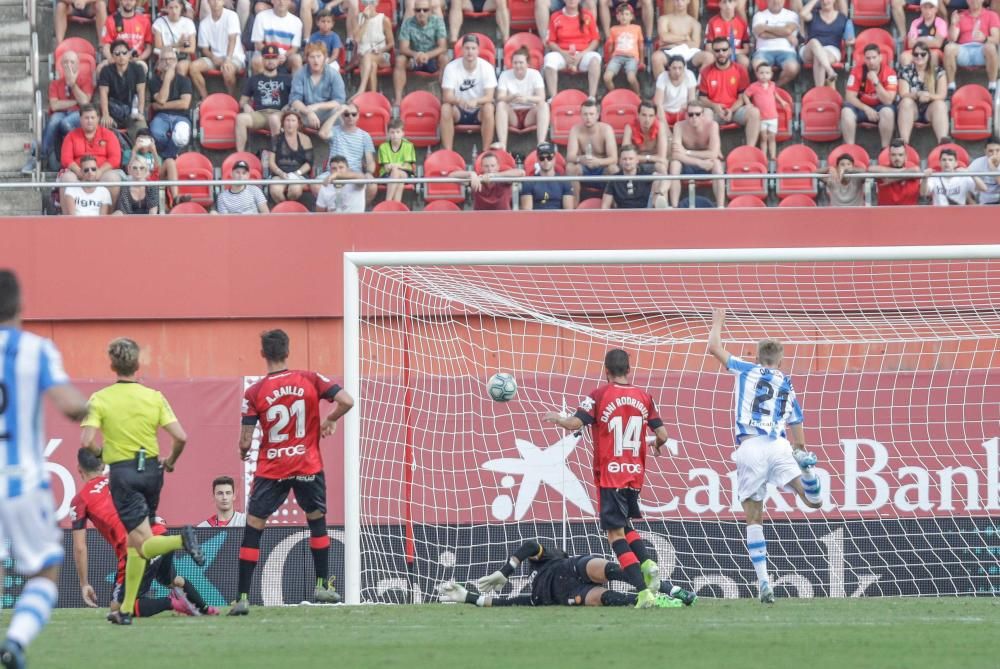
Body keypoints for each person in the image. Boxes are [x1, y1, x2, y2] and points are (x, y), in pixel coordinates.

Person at [229, 329, 355, 615]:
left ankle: (242, 597)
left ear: (263, 354)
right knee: (316, 519)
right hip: (307, 464)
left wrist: (242, 451)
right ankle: (322, 584)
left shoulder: (255, 391)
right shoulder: (310, 378)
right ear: (287, 351)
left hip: (272, 469)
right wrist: (330, 420)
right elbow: (346, 400)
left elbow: (246, 440)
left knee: (254, 527)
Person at [0, 270, 89, 669]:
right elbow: (70, 405)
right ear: (20, 306)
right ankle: (15, 644)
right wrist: (90, 409)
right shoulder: (35, 350)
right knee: (45, 573)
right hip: (22, 482)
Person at [81, 337, 204, 625]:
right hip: (152, 472)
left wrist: (105, 454)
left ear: (112, 365)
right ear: (138, 364)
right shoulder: (154, 397)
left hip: (123, 474)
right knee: (138, 543)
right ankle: (125, 610)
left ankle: (180, 539)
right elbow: (181, 437)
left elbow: (86, 440)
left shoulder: (100, 398)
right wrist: (170, 462)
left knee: (142, 542)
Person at [707, 308, 823, 604]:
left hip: (750, 447)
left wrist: (718, 322)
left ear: (757, 357)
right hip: (779, 446)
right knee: (813, 501)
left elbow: (714, 348)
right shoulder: (787, 383)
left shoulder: (745, 369)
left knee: (754, 517)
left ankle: (763, 582)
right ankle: (808, 472)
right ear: (780, 360)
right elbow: (796, 421)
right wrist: (800, 450)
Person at [541, 349, 670, 609]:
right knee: (623, 525)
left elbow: (575, 424)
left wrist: (557, 418)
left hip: (611, 475)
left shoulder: (598, 396)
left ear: (606, 371)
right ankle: (647, 563)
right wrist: (656, 443)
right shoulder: (645, 397)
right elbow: (663, 434)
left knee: (614, 536)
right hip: (634, 474)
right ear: (629, 370)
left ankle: (643, 592)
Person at [71, 449, 220, 619]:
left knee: (118, 608)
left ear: (79, 469)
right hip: (160, 532)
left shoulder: (80, 500)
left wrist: (84, 584)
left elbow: (80, 547)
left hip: (135, 546)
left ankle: (172, 602)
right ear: (103, 465)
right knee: (170, 580)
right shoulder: (118, 479)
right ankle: (205, 608)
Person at [438, 539, 697, 608]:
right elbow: (502, 602)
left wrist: (506, 571)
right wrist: (468, 597)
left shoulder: (549, 559)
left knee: (612, 570)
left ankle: (670, 589)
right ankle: (663, 601)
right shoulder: (535, 597)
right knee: (602, 599)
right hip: (570, 594)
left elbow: (529, 546)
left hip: (573, 566)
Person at [27, 50, 95, 174]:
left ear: (78, 64)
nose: (68, 65)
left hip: (78, 114)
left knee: (65, 123)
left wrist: (73, 85)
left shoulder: (86, 80)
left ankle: (76, 154)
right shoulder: (55, 83)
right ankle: (38, 157)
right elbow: (55, 105)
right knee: (54, 121)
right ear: (61, 65)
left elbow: (85, 103)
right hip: (60, 113)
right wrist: (75, 102)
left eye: (72, 62)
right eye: (65, 62)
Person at [59, 104, 124, 206]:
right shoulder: (71, 136)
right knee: (67, 178)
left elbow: (115, 159)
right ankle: (68, 218)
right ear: (80, 119)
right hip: (78, 172)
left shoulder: (109, 135)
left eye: (92, 117)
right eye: (86, 118)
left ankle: (110, 217)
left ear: (98, 119)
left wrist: (99, 171)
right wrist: (79, 171)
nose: (89, 120)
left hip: (102, 172)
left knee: (113, 178)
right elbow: (66, 159)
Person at [441, 35, 497, 151]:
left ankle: (486, 150)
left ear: (478, 50)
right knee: (446, 108)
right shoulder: (451, 67)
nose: (470, 52)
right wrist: (460, 101)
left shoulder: (487, 67)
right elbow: (447, 96)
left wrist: (476, 101)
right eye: (467, 48)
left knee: (489, 108)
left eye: (473, 48)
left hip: (478, 110)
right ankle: (448, 151)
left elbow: (489, 96)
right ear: (462, 50)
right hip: (459, 109)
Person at [236, 44, 293, 152]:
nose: (270, 61)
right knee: (240, 119)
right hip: (260, 114)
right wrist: (246, 106)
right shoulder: (254, 79)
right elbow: (242, 101)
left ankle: (277, 153)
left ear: (278, 60)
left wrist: (288, 106)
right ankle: (240, 154)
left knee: (274, 119)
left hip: (279, 114)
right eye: (267, 58)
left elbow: (295, 99)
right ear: (262, 60)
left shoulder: (287, 79)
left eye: (273, 58)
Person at [318, 103, 378, 204]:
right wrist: (338, 112)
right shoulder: (335, 131)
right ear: (342, 116)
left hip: (354, 173)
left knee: (372, 185)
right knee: (315, 186)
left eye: (353, 114)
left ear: (358, 116)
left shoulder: (365, 136)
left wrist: (369, 172)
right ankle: (332, 211)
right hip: (333, 171)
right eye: (346, 114)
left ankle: (359, 210)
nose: (350, 117)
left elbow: (370, 161)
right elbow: (322, 134)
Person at [668, 100, 724, 207]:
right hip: (688, 163)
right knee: (675, 164)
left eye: (697, 114)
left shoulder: (712, 125)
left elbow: (713, 154)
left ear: (702, 115)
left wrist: (686, 152)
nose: (694, 117)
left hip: (705, 162)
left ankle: (720, 207)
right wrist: (699, 162)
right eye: (691, 114)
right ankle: (674, 207)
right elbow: (675, 154)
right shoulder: (678, 126)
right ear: (686, 115)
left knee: (717, 164)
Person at [841, 42, 897, 149]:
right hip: (861, 107)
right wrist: (866, 108)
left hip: (880, 106)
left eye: (874, 57)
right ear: (864, 59)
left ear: (880, 57)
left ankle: (885, 149)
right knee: (846, 111)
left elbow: (888, 101)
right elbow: (849, 96)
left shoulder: (890, 73)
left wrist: (876, 82)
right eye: (868, 58)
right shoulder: (856, 71)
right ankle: (850, 148)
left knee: (888, 112)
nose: (871, 61)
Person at [393, 0, 449, 106]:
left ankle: (444, 97)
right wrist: (416, 54)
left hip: (432, 59)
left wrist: (427, 55)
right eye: (418, 10)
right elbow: (403, 48)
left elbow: (443, 47)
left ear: (430, 11)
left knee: (444, 59)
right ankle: (398, 99)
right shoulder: (408, 23)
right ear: (414, 11)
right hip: (414, 59)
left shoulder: (438, 22)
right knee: (400, 60)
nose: (421, 12)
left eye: (425, 10)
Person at [543, 0, 602, 99]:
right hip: (562, 53)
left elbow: (595, 40)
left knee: (595, 60)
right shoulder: (556, 16)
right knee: (549, 60)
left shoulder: (587, 15)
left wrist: (582, 54)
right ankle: (553, 98)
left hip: (583, 53)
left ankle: (592, 96)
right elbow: (551, 41)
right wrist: (563, 53)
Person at [191, 0, 247, 98]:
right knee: (193, 67)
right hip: (215, 58)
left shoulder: (231, 16)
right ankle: (205, 99)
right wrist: (213, 57)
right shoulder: (204, 23)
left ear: (223, 2)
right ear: (208, 2)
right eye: (212, 0)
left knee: (227, 69)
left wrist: (228, 59)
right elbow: (204, 49)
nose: (216, 2)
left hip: (234, 56)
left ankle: (232, 99)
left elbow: (232, 39)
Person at [942, 0, 1000, 95]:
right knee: (948, 48)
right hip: (964, 49)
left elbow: (996, 38)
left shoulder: (991, 15)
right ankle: (951, 87)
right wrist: (953, 23)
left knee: (990, 47)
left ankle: (992, 87)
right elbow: (952, 39)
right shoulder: (960, 15)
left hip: (981, 50)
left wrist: (984, 38)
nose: (973, 1)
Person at [496, 47, 549, 149]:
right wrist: (511, 97)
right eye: (515, 63)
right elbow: (500, 97)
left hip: (529, 113)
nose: (518, 66)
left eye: (521, 62)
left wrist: (527, 98)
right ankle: (502, 143)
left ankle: (541, 142)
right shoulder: (505, 75)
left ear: (527, 63)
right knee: (501, 105)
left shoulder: (535, 74)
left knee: (544, 105)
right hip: (513, 113)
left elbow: (541, 97)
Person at [566, 98, 619, 201]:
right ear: (581, 115)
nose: (588, 118)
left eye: (591, 114)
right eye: (585, 114)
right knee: (570, 168)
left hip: (602, 169)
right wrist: (580, 159)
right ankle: (574, 207)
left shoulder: (606, 129)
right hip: (584, 168)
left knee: (614, 169)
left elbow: (614, 159)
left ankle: (611, 205)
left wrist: (598, 162)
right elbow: (569, 157)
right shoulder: (575, 130)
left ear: (597, 115)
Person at [896, 45, 948, 145]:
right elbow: (903, 93)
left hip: (930, 109)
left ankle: (943, 143)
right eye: (916, 54)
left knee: (940, 104)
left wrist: (928, 96)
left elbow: (942, 95)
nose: (919, 57)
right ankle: (904, 143)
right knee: (906, 102)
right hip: (912, 108)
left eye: (923, 54)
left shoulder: (938, 71)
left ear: (928, 56)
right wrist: (917, 95)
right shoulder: (906, 70)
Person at [289, 42, 347, 131]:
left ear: (324, 57)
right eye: (312, 57)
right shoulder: (300, 73)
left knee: (339, 111)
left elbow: (339, 100)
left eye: (319, 56)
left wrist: (318, 106)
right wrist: (308, 112)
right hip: (305, 111)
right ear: (307, 58)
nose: (316, 61)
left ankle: (334, 140)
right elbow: (295, 100)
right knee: (290, 114)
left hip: (326, 112)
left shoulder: (333, 74)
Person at [149, 47, 194, 160]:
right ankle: (171, 154)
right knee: (156, 134)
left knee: (181, 137)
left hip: (182, 116)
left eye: (171, 59)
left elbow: (184, 104)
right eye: (164, 59)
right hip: (161, 116)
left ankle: (166, 157)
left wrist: (160, 107)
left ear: (176, 62)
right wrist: (167, 79)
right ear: (159, 63)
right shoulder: (153, 81)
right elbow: (162, 99)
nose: (168, 62)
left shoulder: (184, 80)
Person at [798, 0, 854, 89]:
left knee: (819, 57)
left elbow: (850, 39)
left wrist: (850, 41)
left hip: (831, 50)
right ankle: (830, 71)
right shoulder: (814, 14)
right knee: (814, 42)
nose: (825, 2)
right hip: (810, 49)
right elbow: (802, 14)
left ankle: (819, 91)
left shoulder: (842, 18)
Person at [98, 39, 148, 137]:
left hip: (132, 110)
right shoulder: (106, 71)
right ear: (112, 56)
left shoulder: (138, 69)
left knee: (142, 131)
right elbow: (103, 94)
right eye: (117, 53)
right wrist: (106, 115)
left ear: (129, 54)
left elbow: (141, 93)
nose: (121, 56)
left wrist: (141, 112)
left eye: (124, 53)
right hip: (112, 111)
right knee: (104, 131)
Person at [742, 60, 790, 160]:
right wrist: (749, 104)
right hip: (761, 117)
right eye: (761, 73)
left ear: (771, 74)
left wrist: (782, 101)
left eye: (767, 73)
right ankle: (763, 156)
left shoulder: (772, 85)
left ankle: (773, 155)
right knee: (763, 138)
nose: (764, 75)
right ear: (757, 74)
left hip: (773, 116)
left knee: (772, 138)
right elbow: (745, 95)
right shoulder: (754, 86)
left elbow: (775, 94)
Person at [651, 0, 708, 79]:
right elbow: (664, 37)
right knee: (656, 57)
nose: (680, 3)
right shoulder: (664, 19)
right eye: (677, 0)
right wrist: (684, 38)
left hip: (689, 53)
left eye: (683, 0)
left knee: (709, 57)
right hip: (669, 51)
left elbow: (695, 45)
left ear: (688, 1)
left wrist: (671, 40)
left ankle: (699, 87)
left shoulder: (695, 23)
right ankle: (663, 87)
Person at [449, 151, 525, 210]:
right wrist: (471, 174)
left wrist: (496, 175)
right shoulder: (477, 180)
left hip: (503, 217)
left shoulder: (504, 179)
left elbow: (521, 173)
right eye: (486, 166)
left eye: (492, 166)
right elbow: (451, 176)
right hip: (481, 218)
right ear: (481, 167)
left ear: (498, 167)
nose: (490, 169)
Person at [751, 0, 800, 87]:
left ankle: (774, 87)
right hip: (764, 50)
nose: (776, 2)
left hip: (787, 51)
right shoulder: (759, 15)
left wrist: (765, 27)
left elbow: (787, 30)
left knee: (793, 68)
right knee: (757, 65)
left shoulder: (792, 15)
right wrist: (785, 35)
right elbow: (760, 33)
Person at [601, 144, 668, 208]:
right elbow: (605, 206)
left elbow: (667, 179)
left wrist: (659, 192)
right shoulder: (614, 179)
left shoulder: (645, 175)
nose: (627, 162)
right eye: (624, 159)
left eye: (631, 159)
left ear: (637, 160)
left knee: (659, 181)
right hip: (622, 215)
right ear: (620, 161)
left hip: (645, 214)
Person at [269, 110, 313, 204]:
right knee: (275, 191)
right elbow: (271, 162)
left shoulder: (305, 139)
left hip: (299, 174)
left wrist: (297, 173)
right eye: (287, 120)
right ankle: (285, 209)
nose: (290, 124)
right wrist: (281, 173)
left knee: (295, 189)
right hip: (280, 174)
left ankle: (290, 207)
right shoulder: (276, 139)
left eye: (293, 121)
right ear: (283, 123)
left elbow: (309, 163)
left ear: (298, 124)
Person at [250, 0, 303, 74]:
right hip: (265, 54)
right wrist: (273, 56)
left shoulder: (297, 22)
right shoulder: (261, 17)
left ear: (290, 2)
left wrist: (284, 56)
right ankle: (260, 85)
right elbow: (258, 44)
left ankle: (296, 85)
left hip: (285, 57)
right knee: (257, 60)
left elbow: (294, 48)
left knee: (297, 59)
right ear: (272, 1)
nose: (281, 2)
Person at [100, 0, 154, 73]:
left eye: (131, 0)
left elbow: (149, 47)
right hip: (116, 58)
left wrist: (140, 58)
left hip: (136, 60)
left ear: (135, 2)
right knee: (100, 68)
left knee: (141, 67)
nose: (128, 2)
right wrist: (110, 58)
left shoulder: (144, 21)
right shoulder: (110, 20)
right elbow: (106, 46)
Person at [354, 0, 394, 95]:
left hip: (380, 54)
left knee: (369, 57)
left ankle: (361, 90)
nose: (369, 6)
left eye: (371, 3)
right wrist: (366, 20)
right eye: (366, 3)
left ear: (376, 4)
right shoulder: (358, 18)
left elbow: (391, 43)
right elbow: (357, 39)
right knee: (372, 65)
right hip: (362, 55)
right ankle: (373, 96)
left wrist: (380, 50)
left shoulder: (384, 19)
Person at [922, 148, 989, 204]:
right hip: (939, 214)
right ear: (940, 163)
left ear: (956, 163)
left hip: (958, 214)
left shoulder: (963, 178)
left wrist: (970, 174)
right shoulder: (934, 178)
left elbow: (984, 189)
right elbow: (923, 193)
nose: (947, 162)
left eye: (950, 160)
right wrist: (925, 178)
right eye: (944, 160)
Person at [520, 142, 574, 209]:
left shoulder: (564, 182)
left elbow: (568, 213)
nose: (546, 161)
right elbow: (527, 213)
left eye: (549, 157)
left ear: (554, 158)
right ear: (537, 160)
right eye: (542, 158)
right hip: (537, 218)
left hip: (558, 218)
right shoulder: (529, 182)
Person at [603, 3, 643, 94]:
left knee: (631, 78)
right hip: (617, 57)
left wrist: (641, 61)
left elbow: (640, 45)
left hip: (632, 57)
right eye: (621, 14)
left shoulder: (637, 28)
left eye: (626, 14)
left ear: (631, 16)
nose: (624, 17)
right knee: (607, 77)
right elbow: (610, 46)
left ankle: (638, 95)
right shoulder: (613, 29)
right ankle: (613, 94)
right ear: (617, 17)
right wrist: (607, 61)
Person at [871, 138, 923, 206]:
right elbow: (870, 169)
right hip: (886, 213)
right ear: (889, 156)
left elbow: (916, 170)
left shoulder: (912, 167)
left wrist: (891, 179)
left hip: (909, 213)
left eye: (900, 155)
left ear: (905, 156)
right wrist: (902, 173)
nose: (897, 158)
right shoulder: (883, 167)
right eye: (893, 155)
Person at [153, 0, 198, 75]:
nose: (174, 11)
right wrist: (177, 45)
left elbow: (192, 48)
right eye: (171, 8)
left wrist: (176, 49)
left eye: (176, 7)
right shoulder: (159, 22)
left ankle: (180, 86)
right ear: (166, 9)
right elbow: (158, 46)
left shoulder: (189, 23)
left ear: (181, 8)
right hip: (165, 57)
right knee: (167, 66)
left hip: (183, 57)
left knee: (180, 67)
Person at [377, 119, 417, 203]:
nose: (395, 135)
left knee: (397, 172)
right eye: (392, 132)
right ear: (388, 133)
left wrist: (395, 166)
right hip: (387, 175)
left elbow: (406, 166)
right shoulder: (383, 147)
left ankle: (387, 202)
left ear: (403, 133)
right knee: (398, 175)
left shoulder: (409, 146)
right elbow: (386, 168)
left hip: (406, 173)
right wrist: (396, 166)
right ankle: (396, 205)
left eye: (398, 132)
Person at [703, 0, 750, 69]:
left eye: (730, 1)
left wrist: (734, 51)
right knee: (709, 58)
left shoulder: (742, 23)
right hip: (718, 53)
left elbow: (747, 49)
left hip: (735, 53)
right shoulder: (712, 22)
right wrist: (721, 53)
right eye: (724, 2)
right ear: (720, 4)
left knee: (744, 61)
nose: (727, 5)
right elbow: (708, 47)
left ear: (735, 3)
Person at [622, 101, 668, 170]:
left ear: (655, 117)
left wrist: (639, 157)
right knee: (627, 164)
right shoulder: (629, 127)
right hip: (635, 164)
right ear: (638, 115)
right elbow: (626, 154)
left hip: (655, 163)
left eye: (651, 116)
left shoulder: (660, 126)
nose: (647, 120)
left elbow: (662, 157)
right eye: (644, 115)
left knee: (662, 166)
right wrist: (650, 157)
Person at [900, 0, 946, 68]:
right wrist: (929, 40)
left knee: (934, 55)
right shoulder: (915, 23)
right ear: (921, 8)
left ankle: (932, 78)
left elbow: (938, 43)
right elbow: (910, 44)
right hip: (917, 50)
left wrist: (919, 39)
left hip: (934, 51)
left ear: (936, 9)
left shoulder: (941, 22)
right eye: (925, 7)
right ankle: (908, 77)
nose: (927, 10)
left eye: (931, 7)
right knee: (904, 56)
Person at [653, 54, 696, 127]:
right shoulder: (662, 77)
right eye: (674, 68)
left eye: (680, 68)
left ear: (684, 68)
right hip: (665, 111)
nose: (677, 72)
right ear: (669, 68)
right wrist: (666, 130)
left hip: (682, 112)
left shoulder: (689, 75)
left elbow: (692, 99)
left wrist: (687, 105)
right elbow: (658, 103)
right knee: (655, 119)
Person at [967, 138, 1000, 204]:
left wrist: (992, 167)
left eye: (998, 150)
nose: (994, 154)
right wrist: (971, 202)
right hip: (982, 202)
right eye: (991, 151)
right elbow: (964, 182)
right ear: (985, 151)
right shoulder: (977, 163)